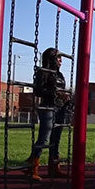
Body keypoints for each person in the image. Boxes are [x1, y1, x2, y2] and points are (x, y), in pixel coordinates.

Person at [26, 47, 71, 181]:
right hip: (47, 107)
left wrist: (66, 97)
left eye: (61, 58)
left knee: (56, 139)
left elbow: (62, 90)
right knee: (44, 138)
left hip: (60, 108)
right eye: (58, 58)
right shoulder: (42, 72)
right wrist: (56, 93)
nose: (61, 61)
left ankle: (54, 167)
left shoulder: (60, 75)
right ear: (51, 59)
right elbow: (38, 91)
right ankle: (31, 167)